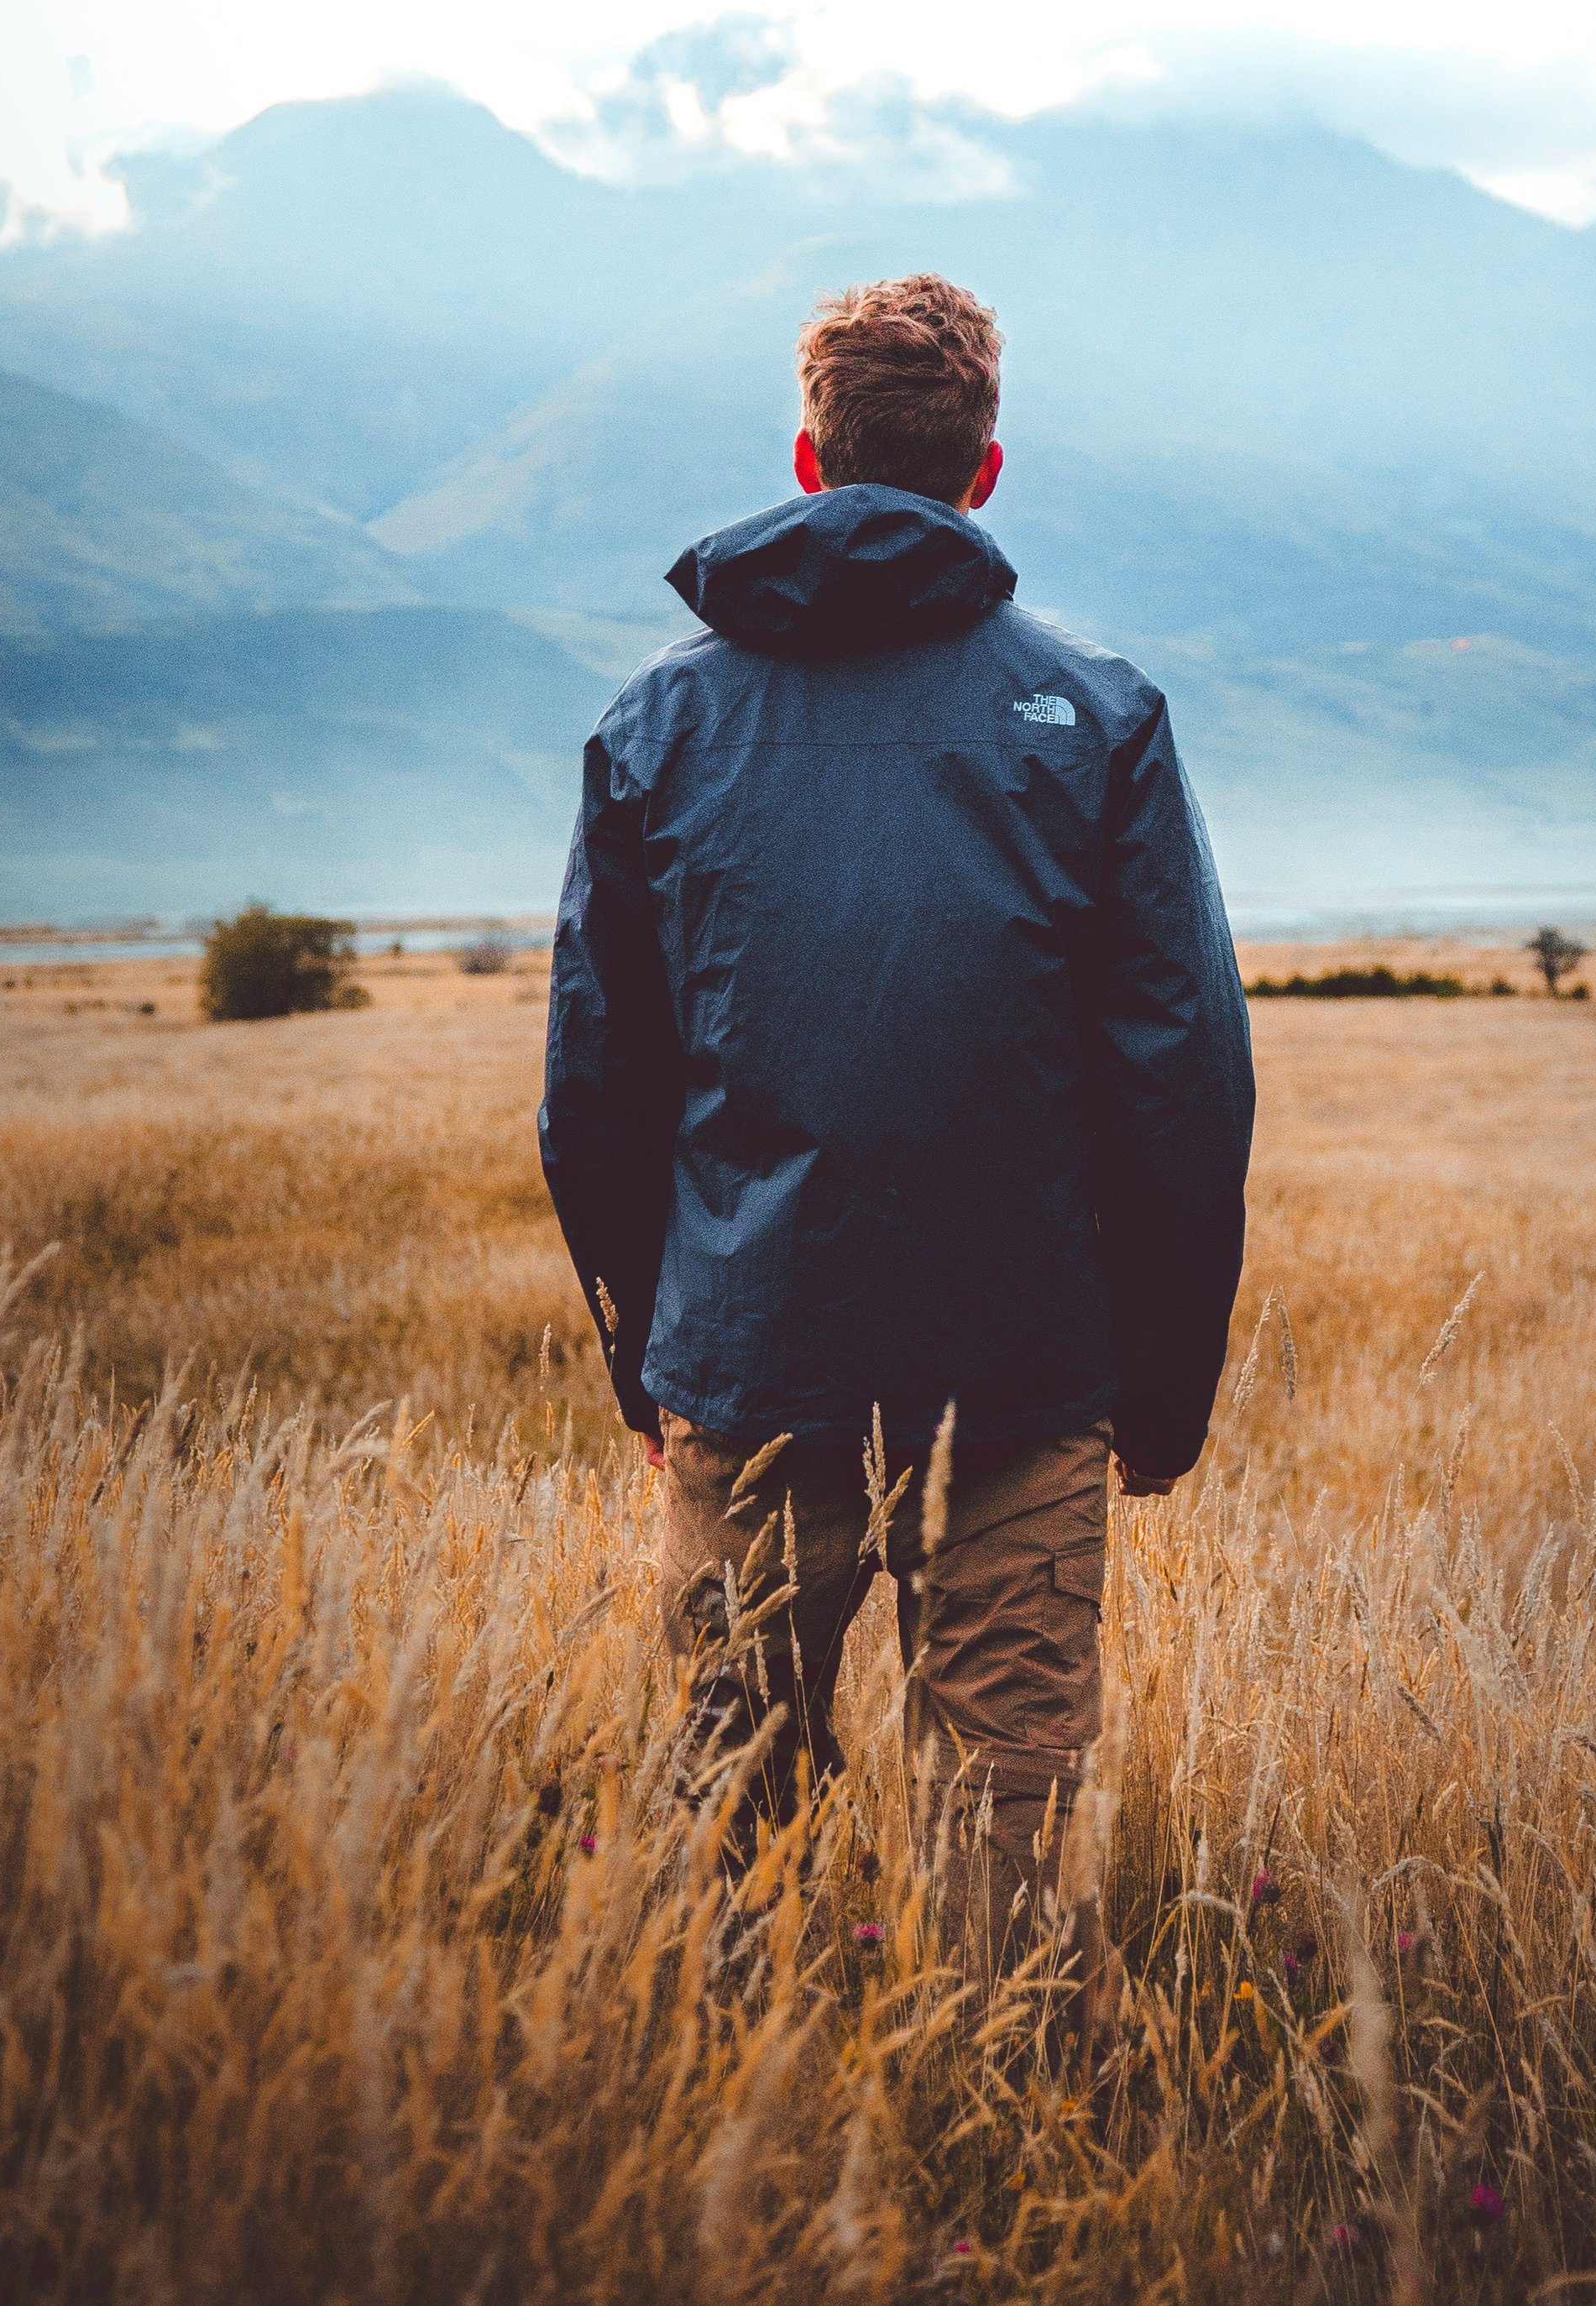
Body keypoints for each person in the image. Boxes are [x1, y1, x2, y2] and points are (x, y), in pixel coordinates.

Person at [539, 273, 1253, 2001]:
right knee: (1003, 1848)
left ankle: (747, 2167)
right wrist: (1153, 1391)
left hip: (745, 1364)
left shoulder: (655, 724)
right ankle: (997, 2177)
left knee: (738, 1834)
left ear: (804, 456)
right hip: (1020, 1385)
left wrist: (651, 1363)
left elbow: (592, 1096)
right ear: (983, 472)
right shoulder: (1096, 718)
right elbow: (1186, 1084)